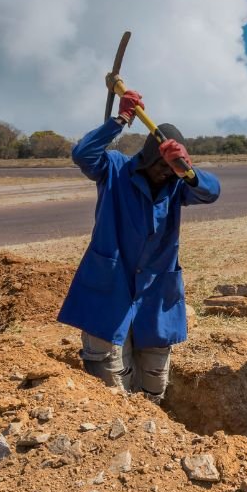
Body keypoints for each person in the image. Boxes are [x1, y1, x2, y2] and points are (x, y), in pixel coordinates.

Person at [57, 77, 220, 403]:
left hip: (156, 294)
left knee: (155, 375)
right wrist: (119, 121)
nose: (165, 172)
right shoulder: (115, 169)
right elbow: (83, 154)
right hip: (109, 288)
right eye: (161, 165)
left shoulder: (178, 184)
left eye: (172, 167)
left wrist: (186, 170)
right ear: (146, 159)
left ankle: (153, 431)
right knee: (110, 378)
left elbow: (212, 192)